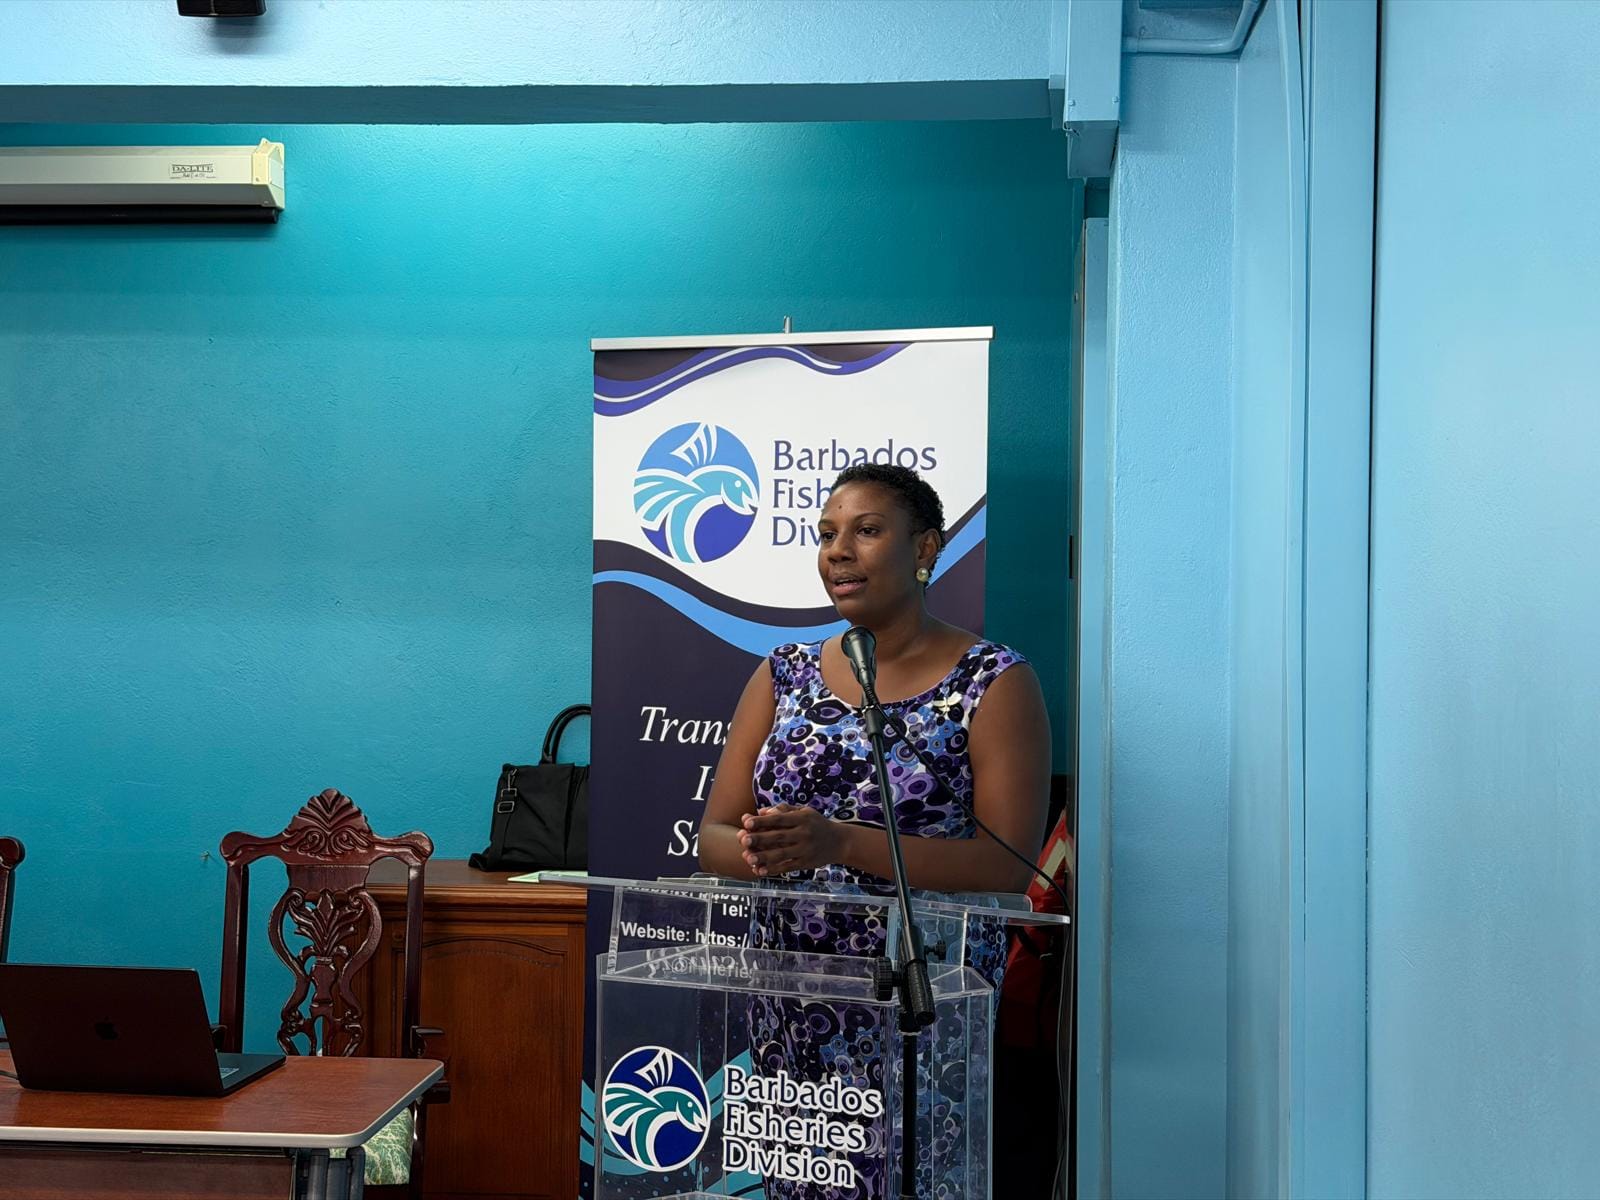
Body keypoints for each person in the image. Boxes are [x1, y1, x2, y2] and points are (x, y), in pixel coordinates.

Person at [699, 461, 1051, 1199]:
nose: (838, 551)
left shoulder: (993, 680)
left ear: (925, 548)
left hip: (922, 1002)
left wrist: (840, 843)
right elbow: (714, 837)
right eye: (827, 534)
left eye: (865, 531)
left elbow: (1006, 866)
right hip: (792, 1000)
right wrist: (769, 848)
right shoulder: (784, 673)